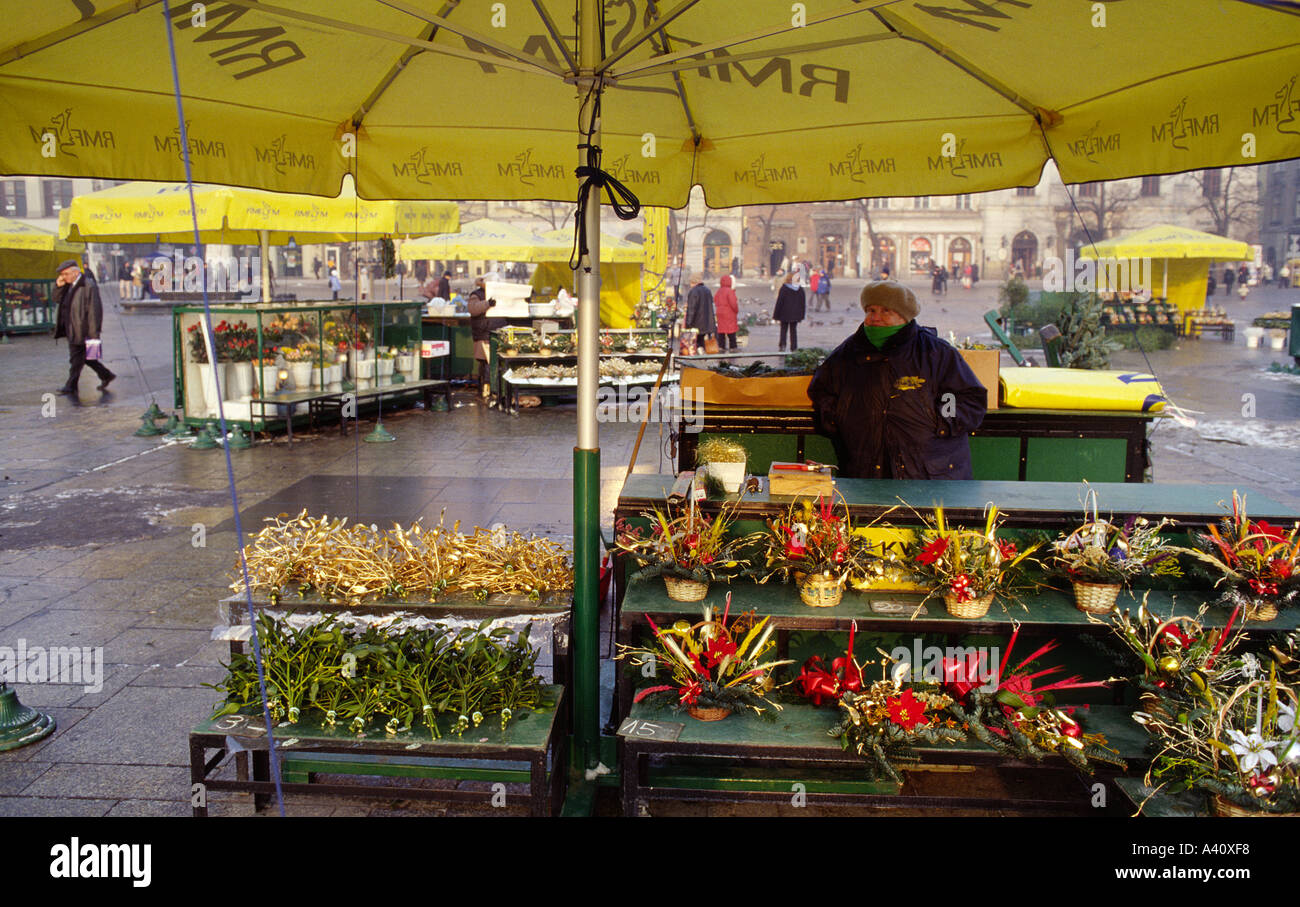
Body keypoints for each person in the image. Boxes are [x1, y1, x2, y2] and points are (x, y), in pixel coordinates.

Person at [808, 281, 986, 480]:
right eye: (870, 310)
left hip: (930, 474)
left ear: (904, 316)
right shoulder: (847, 353)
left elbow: (966, 398)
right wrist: (838, 419)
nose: (875, 318)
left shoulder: (936, 352)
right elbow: (822, 392)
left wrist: (940, 421)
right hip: (866, 472)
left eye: (886, 311)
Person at [52, 259, 115, 397]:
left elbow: (95, 311)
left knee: (76, 359)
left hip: (83, 329)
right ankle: (106, 375)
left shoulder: (88, 285)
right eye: (62, 275)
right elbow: (56, 299)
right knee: (86, 358)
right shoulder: (68, 285)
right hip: (71, 327)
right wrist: (58, 286)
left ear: (75, 273)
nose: (63, 277)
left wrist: (94, 333)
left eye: (65, 274)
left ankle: (71, 386)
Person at [467, 277, 494, 397]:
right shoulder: (476, 294)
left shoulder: (497, 293)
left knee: (489, 363)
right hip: (483, 333)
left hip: (492, 332)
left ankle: (489, 389)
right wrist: (487, 304)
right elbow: (473, 309)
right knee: (485, 362)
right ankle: (485, 388)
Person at [772, 271, 805, 351]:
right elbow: (802, 303)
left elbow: (779, 302)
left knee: (783, 330)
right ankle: (794, 347)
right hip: (795, 314)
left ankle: (782, 345)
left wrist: (776, 315)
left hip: (784, 313)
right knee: (793, 331)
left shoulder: (784, 288)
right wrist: (801, 315)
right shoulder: (800, 289)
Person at [684, 273, 716, 345]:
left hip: (697, 324)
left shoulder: (694, 292)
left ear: (693, 282)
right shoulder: (707, 290)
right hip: (706, 323)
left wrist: (688, 324)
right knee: (702, 343)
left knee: (695, 345)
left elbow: (692, 309)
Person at [714, 274, 739, 350]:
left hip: (720, 312)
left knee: (721, 330)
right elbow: (733, 303)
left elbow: (715, 300)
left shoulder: (719, 291)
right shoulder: (730, 291)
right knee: (731, 330)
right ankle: (733, 346)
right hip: (729, 313)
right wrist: (736, 310)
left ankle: (721, 346)